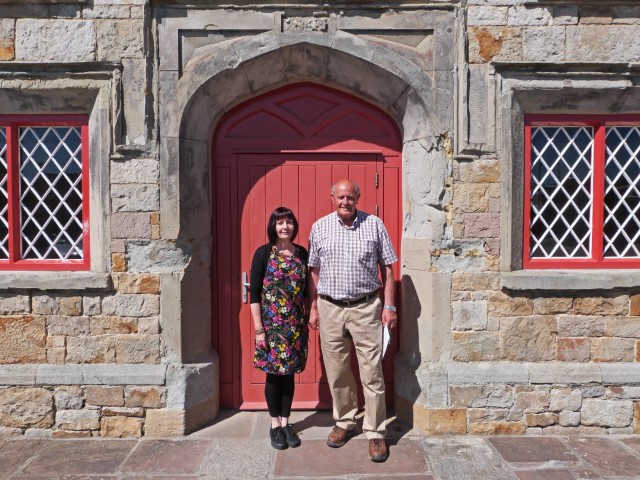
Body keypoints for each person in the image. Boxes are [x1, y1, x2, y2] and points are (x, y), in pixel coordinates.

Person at [307, 179, 398, 463]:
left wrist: (390, 305)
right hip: (330, 307)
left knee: (372, 372)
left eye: (351, 197)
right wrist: (314, 306)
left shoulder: (375, 225)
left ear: (358, 198)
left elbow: (389, 268)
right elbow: (314, 270)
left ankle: (375, 432)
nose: (346, 202)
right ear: (331, 197)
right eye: (341, 197)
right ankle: (345, 422)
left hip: (366, 307)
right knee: (337, 370)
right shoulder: (319, 227)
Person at [250, 207, 309, 450]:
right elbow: (254, 293)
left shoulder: (302, 253)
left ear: (294, 226)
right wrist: (259, 329)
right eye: (280, 223)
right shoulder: (263, 253)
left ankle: (286, 423)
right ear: (273, 226)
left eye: (289, 223)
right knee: (274, 376)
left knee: (289, 375)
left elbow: (306, 292)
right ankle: (275, 425)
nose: (285, 227)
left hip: (295, 326)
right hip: (271, 328)